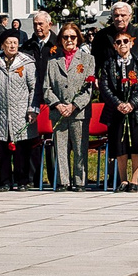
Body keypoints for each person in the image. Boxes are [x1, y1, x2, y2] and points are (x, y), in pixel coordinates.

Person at [95, 24, 138, 191]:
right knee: (120, 146)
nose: (122, 45)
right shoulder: (109, 63)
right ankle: (123, 179)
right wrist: (119, 104)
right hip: (116, 110)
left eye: (125, 41)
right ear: (114, 45)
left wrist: (132, 103)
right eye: (118, 42)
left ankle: (135, 180)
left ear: (131, 43)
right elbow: (105, 87)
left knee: (136, 145)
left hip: (136, 110)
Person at [40, 20, 94, 190]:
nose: (69, 40)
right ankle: (63, 181)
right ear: (60, 39)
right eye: (65, 37)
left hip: (79, 113)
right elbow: (46, 88)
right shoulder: (53, 61)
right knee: (60, 148)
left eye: (72, 36)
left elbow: (89, 88)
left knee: (80, 148)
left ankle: (79, 181)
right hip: (58, 112)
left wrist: (74, 106)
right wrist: (58, 105)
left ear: (78, 38)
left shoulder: (87, 60)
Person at [0, 28, 37, 189]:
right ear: (2, 46)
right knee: (3, 150)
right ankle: (4, 181)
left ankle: (23, 181)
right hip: (0, 114)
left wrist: (32, 109)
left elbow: (33, 87)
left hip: (21, 114)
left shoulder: (27, 63)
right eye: (9, 43)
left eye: (15, 42)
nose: (12, 46)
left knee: (21, 150)